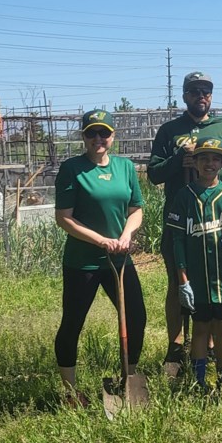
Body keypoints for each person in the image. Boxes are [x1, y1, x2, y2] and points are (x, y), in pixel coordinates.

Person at [147, 72, 222, 370]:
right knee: (178, 282)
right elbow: (153, 174)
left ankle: (210, 344)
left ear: (211, 96)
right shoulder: (169, 130)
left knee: (212, 281)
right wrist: (180, 160)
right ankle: (176, 344)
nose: (201, 95)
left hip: (216, 222)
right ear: (184, 96)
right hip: (180, 222)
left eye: (206, 91)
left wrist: (206, 169)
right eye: (194, 91)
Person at [53, 109, 145, 408]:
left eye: (103, 133)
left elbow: (136, 209)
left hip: (119, 258)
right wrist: (101, 240)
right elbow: (64, 218)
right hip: (84, 261)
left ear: (112, 136)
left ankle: (128, 378)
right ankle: (70, 391)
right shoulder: (72, 169)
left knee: (137, 317)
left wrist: (126, 235)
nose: (98, 139)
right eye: (91, 133)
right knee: (73, 323)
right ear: (83, 137)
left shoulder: (125, 167)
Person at [165, 137, 222, 393]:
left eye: (215, 159)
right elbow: (177, 241)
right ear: (196, 162)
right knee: (200, 328)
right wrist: (183, 280)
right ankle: (199, 380)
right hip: (198, 279)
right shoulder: (184, 196)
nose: (210, 163)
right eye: (204, 158)